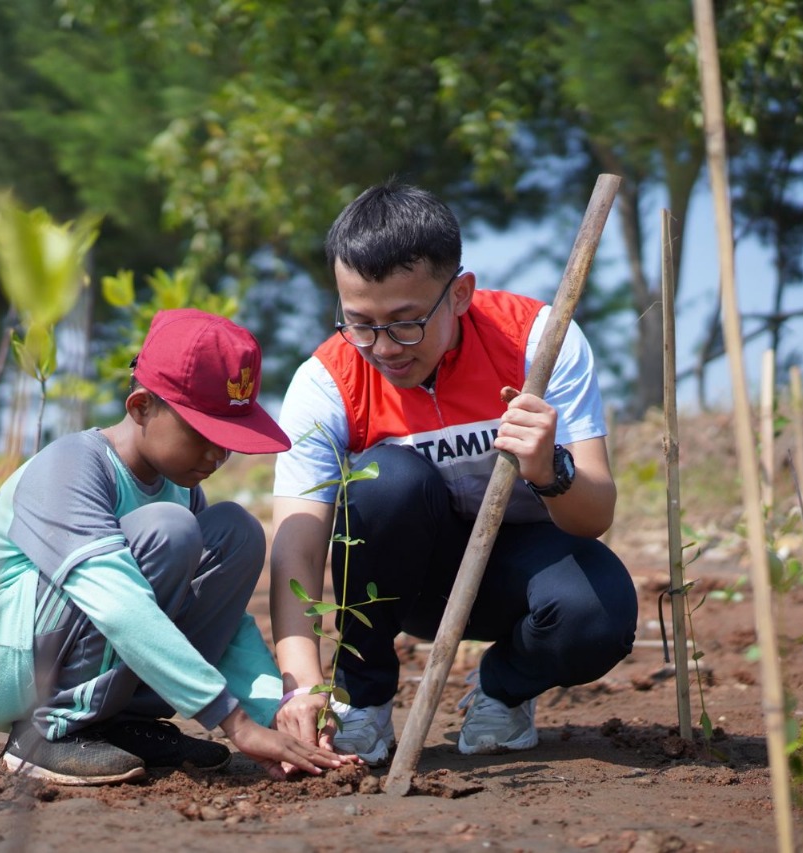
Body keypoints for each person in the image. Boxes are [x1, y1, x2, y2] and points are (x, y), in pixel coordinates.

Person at [269, 182, 638, 766]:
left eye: (406, 322)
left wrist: (551, 468)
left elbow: (595, 516)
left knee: (598, 614)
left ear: (460, 293)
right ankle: (363, 700)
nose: (384, 348)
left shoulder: (538, 341)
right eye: (360, 322)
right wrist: (302, 683)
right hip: (405, 583)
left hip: (523, 570)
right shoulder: (326, 381)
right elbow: (299, 546)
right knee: (384, 480)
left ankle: (504, 689)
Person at [0, 309, 351, 785]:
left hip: (64, 640)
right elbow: (118, 603)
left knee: (236, 531)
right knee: (168, 531)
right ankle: (49, 731)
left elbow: (224, 623)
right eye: (203, 435)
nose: (218, 455)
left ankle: (119, 722)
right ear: (141, 408)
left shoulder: (179, 486)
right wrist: (233, 722)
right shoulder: (71, 467)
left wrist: (275, 713)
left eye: (228, 439)